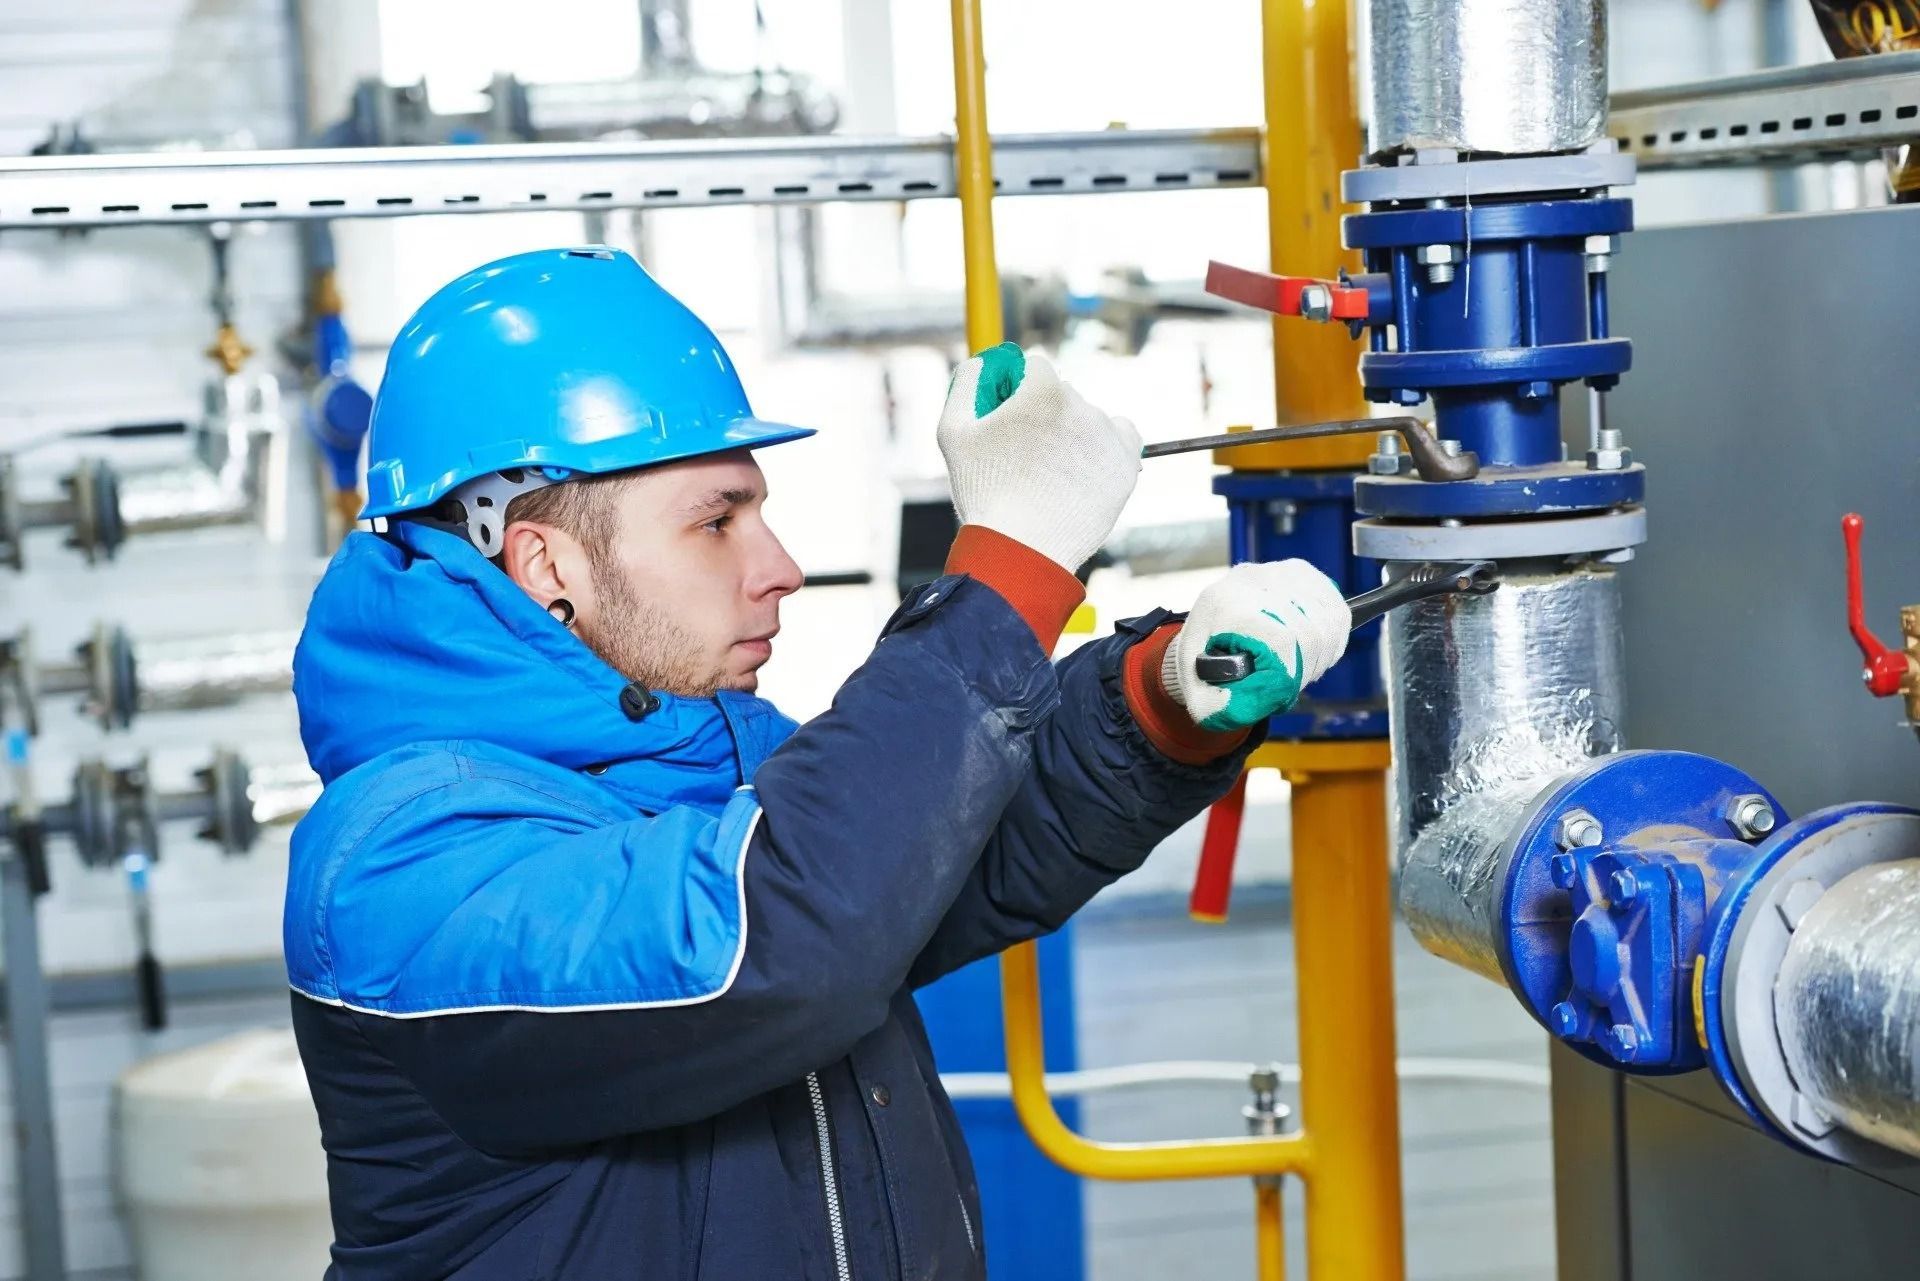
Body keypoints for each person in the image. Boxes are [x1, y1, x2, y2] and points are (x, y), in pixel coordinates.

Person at [283, 246, 1351, 1280]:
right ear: (545, 563)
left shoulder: (702, 756)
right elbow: (773, 942)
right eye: (717, 522)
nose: (780, 570)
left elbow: (934, 853)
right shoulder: (399, 856)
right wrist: (1009, 577)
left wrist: (1158, 701)